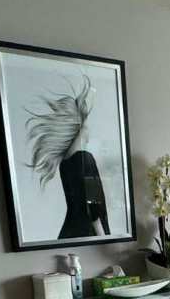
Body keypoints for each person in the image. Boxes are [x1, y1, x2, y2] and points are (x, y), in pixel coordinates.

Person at [25, 77, 110, 238]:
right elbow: (94, 208)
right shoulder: (85, 159)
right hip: (88, 234)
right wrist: (104, 239)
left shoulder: (65, 163)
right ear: (82, 128)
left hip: (68, 233)